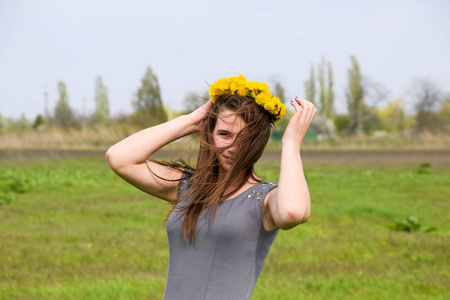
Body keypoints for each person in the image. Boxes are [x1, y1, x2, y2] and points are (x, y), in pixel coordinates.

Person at [106, 75, 317, 300]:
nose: (234, 147)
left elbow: (293, 212)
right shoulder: (186, 186)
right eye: (224, 134)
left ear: (259, 142)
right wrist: (191, 121)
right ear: (210, 133)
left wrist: (291, 144)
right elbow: (119, 157)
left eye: (245, 138)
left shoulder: (264, 199)